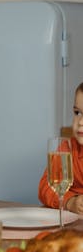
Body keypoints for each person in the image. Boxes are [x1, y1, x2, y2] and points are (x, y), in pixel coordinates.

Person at [39, 82, 83, 213]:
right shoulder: (67, 149)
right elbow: (45, 187)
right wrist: (70, 202)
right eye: (77, 113)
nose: (80, 122)